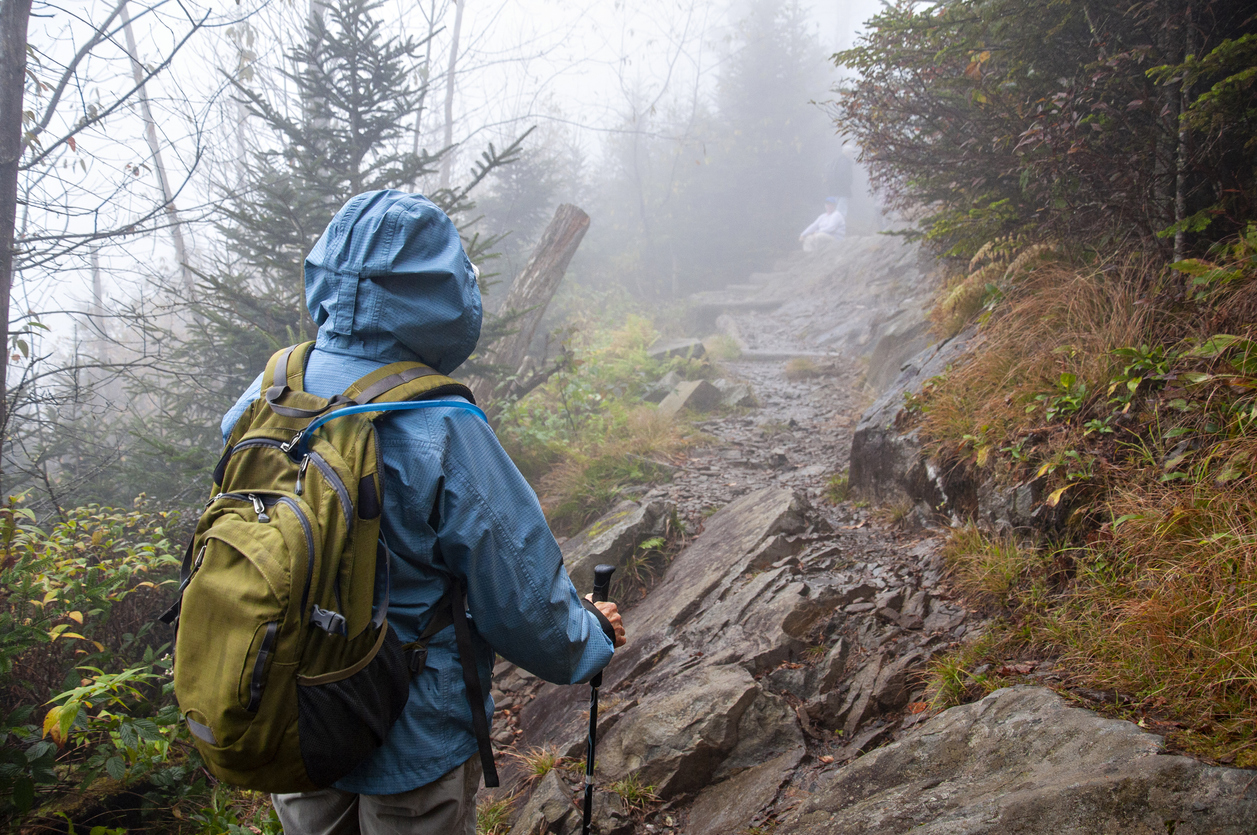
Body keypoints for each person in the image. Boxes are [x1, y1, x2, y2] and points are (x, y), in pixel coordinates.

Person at [220, 190, 626, 835]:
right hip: (410, 728)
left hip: (291, 709)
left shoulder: (270, 391)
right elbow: (520, 594)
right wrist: (590, 639)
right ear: (439, 292)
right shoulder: (441, 423)